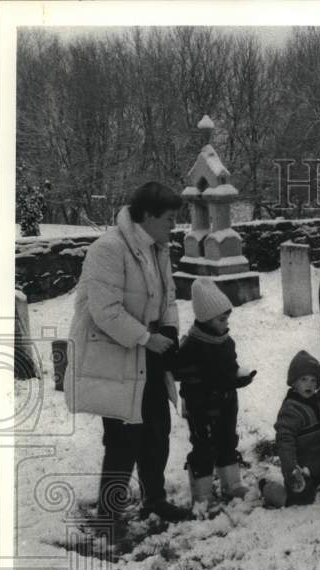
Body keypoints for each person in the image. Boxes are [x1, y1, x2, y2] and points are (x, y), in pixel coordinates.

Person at [65, 181, 190, 526]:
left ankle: (155, 500)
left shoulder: (158, 247)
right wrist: (146, 338)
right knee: (123, 439)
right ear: (147, 216)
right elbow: (105, 311)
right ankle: (109, 513)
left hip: (147, 352)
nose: (173, 225)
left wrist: (169, 330)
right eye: (168, 218)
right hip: (116, 356)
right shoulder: (109, 249)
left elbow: (169, 299)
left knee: (157, 431)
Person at [173, 278, 256, 516]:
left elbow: (230, 369)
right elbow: (181, 372)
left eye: (227, 318)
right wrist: (202, 381)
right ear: (205, 319)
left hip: (227, 401)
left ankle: (232, 485)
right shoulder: (191, 345)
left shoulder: (226, 342)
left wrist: (239, 377)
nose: (226, 323)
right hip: (201, 405)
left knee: (227, 440)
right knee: (203, 446)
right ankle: (202, 495)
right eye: (222, 319)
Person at [262, 350, 320, 508]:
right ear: (293, 382)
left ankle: (318, 480)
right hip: (300, 471)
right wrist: (291, 470)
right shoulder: (291, 410)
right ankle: (267, 488)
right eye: (303, 379)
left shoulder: (312, 400)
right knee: (300, 500)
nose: (309, 384)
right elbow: (285, 442)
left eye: (313, 380)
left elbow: (318, 404)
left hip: (319, 465)